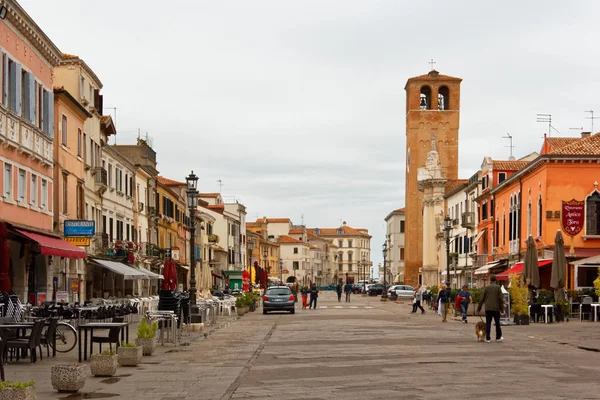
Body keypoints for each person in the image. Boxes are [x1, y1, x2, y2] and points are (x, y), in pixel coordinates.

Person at [477, 274, 504, 343]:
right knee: (497, 323)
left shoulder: (487, 287)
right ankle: (498, 337)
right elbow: (501, 298)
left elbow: (482, 298)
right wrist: (502, 309)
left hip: (488, 308)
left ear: (490, 280)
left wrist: (479, 308)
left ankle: (488, 338)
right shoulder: (498, 287)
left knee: (488, 323)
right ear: (496, 280)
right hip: (496, 308)